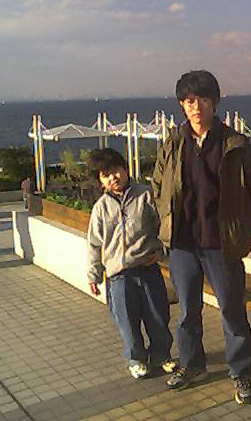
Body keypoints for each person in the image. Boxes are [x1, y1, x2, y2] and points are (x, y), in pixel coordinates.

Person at [152, 70, 251, 404]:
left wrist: (243, 229)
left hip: (221, 244)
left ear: (215, 102)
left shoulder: (236, 144)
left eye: (203, 99)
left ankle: (241, 371)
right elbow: (158, 186)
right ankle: (192, 365)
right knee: (188, 311)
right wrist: (166, 222)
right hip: (183, 243)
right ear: (181, 105)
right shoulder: (173, 143)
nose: (196, 106)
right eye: (189, 100)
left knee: (232, 311)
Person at [86, 148, 176, 379]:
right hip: (119, 276)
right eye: (106, 175)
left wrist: (162, 250)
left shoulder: (145, 195)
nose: (113, 177)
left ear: (125, 169)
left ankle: (161, 356)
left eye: (116, 170)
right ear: (100, 181)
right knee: (127, 322)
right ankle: (136, 359)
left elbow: (165, 226)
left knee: (158, 317)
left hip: (148, 269)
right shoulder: (100, 208)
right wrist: (93, 275)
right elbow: (94, 244)